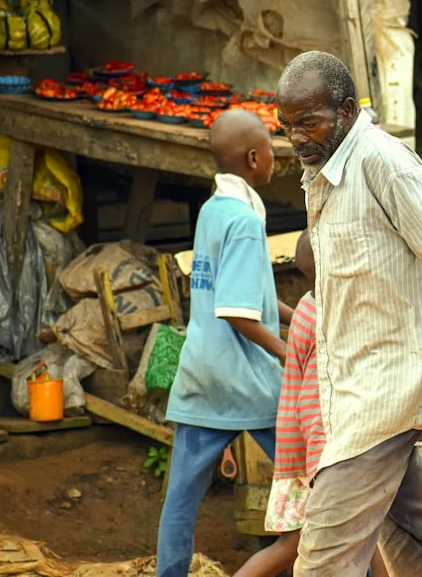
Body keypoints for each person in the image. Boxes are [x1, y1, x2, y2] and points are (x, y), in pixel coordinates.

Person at [276, 50, 422, 577]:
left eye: (308, 123)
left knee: (323, 564)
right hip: (360, 396)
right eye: (287, 126)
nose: (297, 138)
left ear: (347, 111)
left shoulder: (383, 162)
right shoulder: (325, 171)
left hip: (384, 396)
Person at [157, 109, 294, 577]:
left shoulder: (213, 209)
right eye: (273, 151)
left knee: (181, 496)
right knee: (321, 478)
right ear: (254, 158)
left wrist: (298, 319)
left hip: (202, 370)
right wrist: (286, 350)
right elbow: (236, 310)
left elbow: (242, 293)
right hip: (248, 378)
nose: (276, 159)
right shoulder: (246, 220)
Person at [234, 230, 389, 577]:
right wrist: (325, 464)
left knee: (366, 533)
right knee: (294, 547)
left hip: (305, 454)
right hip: (318, 459)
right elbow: (313, 402)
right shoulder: (327, 322)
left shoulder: (308, 305)